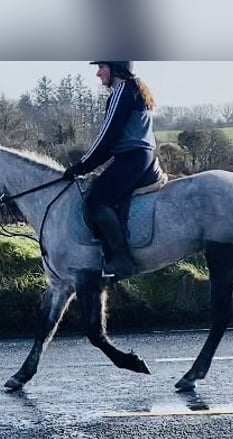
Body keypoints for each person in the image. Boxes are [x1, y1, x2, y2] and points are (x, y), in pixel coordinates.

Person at [63, 60, 157, 278]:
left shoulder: (123, 92)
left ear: (115, 68)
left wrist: (80, 167)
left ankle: (122, 260)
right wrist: (85, 167)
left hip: (132, 158)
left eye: (101, 67)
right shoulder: (131, 89)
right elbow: (109, 145)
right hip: (135, 157)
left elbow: (106, 138)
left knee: (96, 200)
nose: (97, 73)